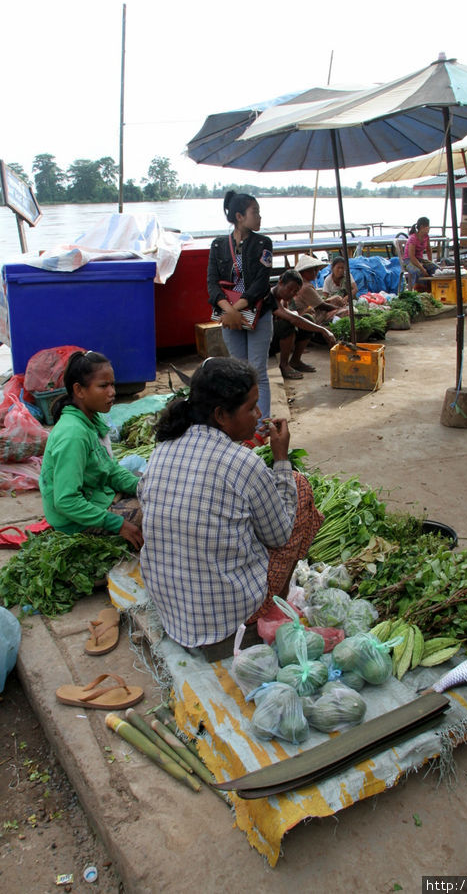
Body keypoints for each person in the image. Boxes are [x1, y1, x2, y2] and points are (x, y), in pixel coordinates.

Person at [139, 358, 323, 659]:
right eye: (251, 407)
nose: (259, 414)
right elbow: (279, 537)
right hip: (225, 625)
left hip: (174, 615)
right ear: (221, 415)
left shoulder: (163, 448)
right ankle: (264, 616)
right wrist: (280, 459)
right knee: (298, 486)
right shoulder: (242, 462)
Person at [39, 350, 143, 550]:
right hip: (75, 522)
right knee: (158, 512)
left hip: (97, 497)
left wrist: (143, 486)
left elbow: (111, 470)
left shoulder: (91, 420)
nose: (112, 392)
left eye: (112, 384)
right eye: (103, 386)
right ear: (79, 390)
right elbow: (66, 501)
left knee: (148, 481)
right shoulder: (73, 434)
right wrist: (118, 524)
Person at [207, 191, 275, 446]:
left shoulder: (263, 243)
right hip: (229, 313)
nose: (259, 216)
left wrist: (238, 308)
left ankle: (262, 428)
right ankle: (243, 424)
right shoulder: (218, 245)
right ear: (239, 216)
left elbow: (261, 282)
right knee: (239, 370)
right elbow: (212, 284)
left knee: (258, 370)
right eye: (255, 212)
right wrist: (229, 310)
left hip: (257, 310)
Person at [269, 269, 336, 378]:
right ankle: (284, 365)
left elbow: (294, 316)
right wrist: (323, 330)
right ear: (280, 282)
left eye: (295, 292)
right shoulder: (270, 296)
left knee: (308, 318)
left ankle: (295, 361)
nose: (291, 293)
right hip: (267, 345)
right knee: (287, 323)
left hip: (274, 339)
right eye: (290, 289)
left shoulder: (283, 298)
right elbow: (292, 319)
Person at [403, 217, 439, 288]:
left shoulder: (426, 237)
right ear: (422, 227)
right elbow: (412, 256)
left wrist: (430, 261)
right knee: (418, 272)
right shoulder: (413, 238)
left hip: (419, 259)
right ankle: (419, 291)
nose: (429, 229)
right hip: (409, 261)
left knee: (435, 268)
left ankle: (432, 289)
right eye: (428, 227)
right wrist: (422, 268)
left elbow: (428, 250)